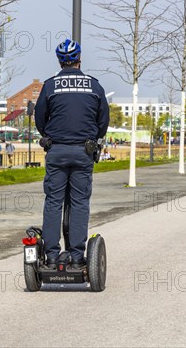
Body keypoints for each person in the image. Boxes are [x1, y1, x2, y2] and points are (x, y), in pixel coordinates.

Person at [35, 39, 109, 269]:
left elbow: (39, 119)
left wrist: (50, 135)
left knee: (53, 202)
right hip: (82, 152)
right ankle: (77, 256)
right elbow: (103, 121)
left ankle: (52, 256)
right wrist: (92, 138)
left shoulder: (50, 85)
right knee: (79, 202)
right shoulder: (94, 86)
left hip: (56, 150)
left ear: (59, 61)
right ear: (79, 60)